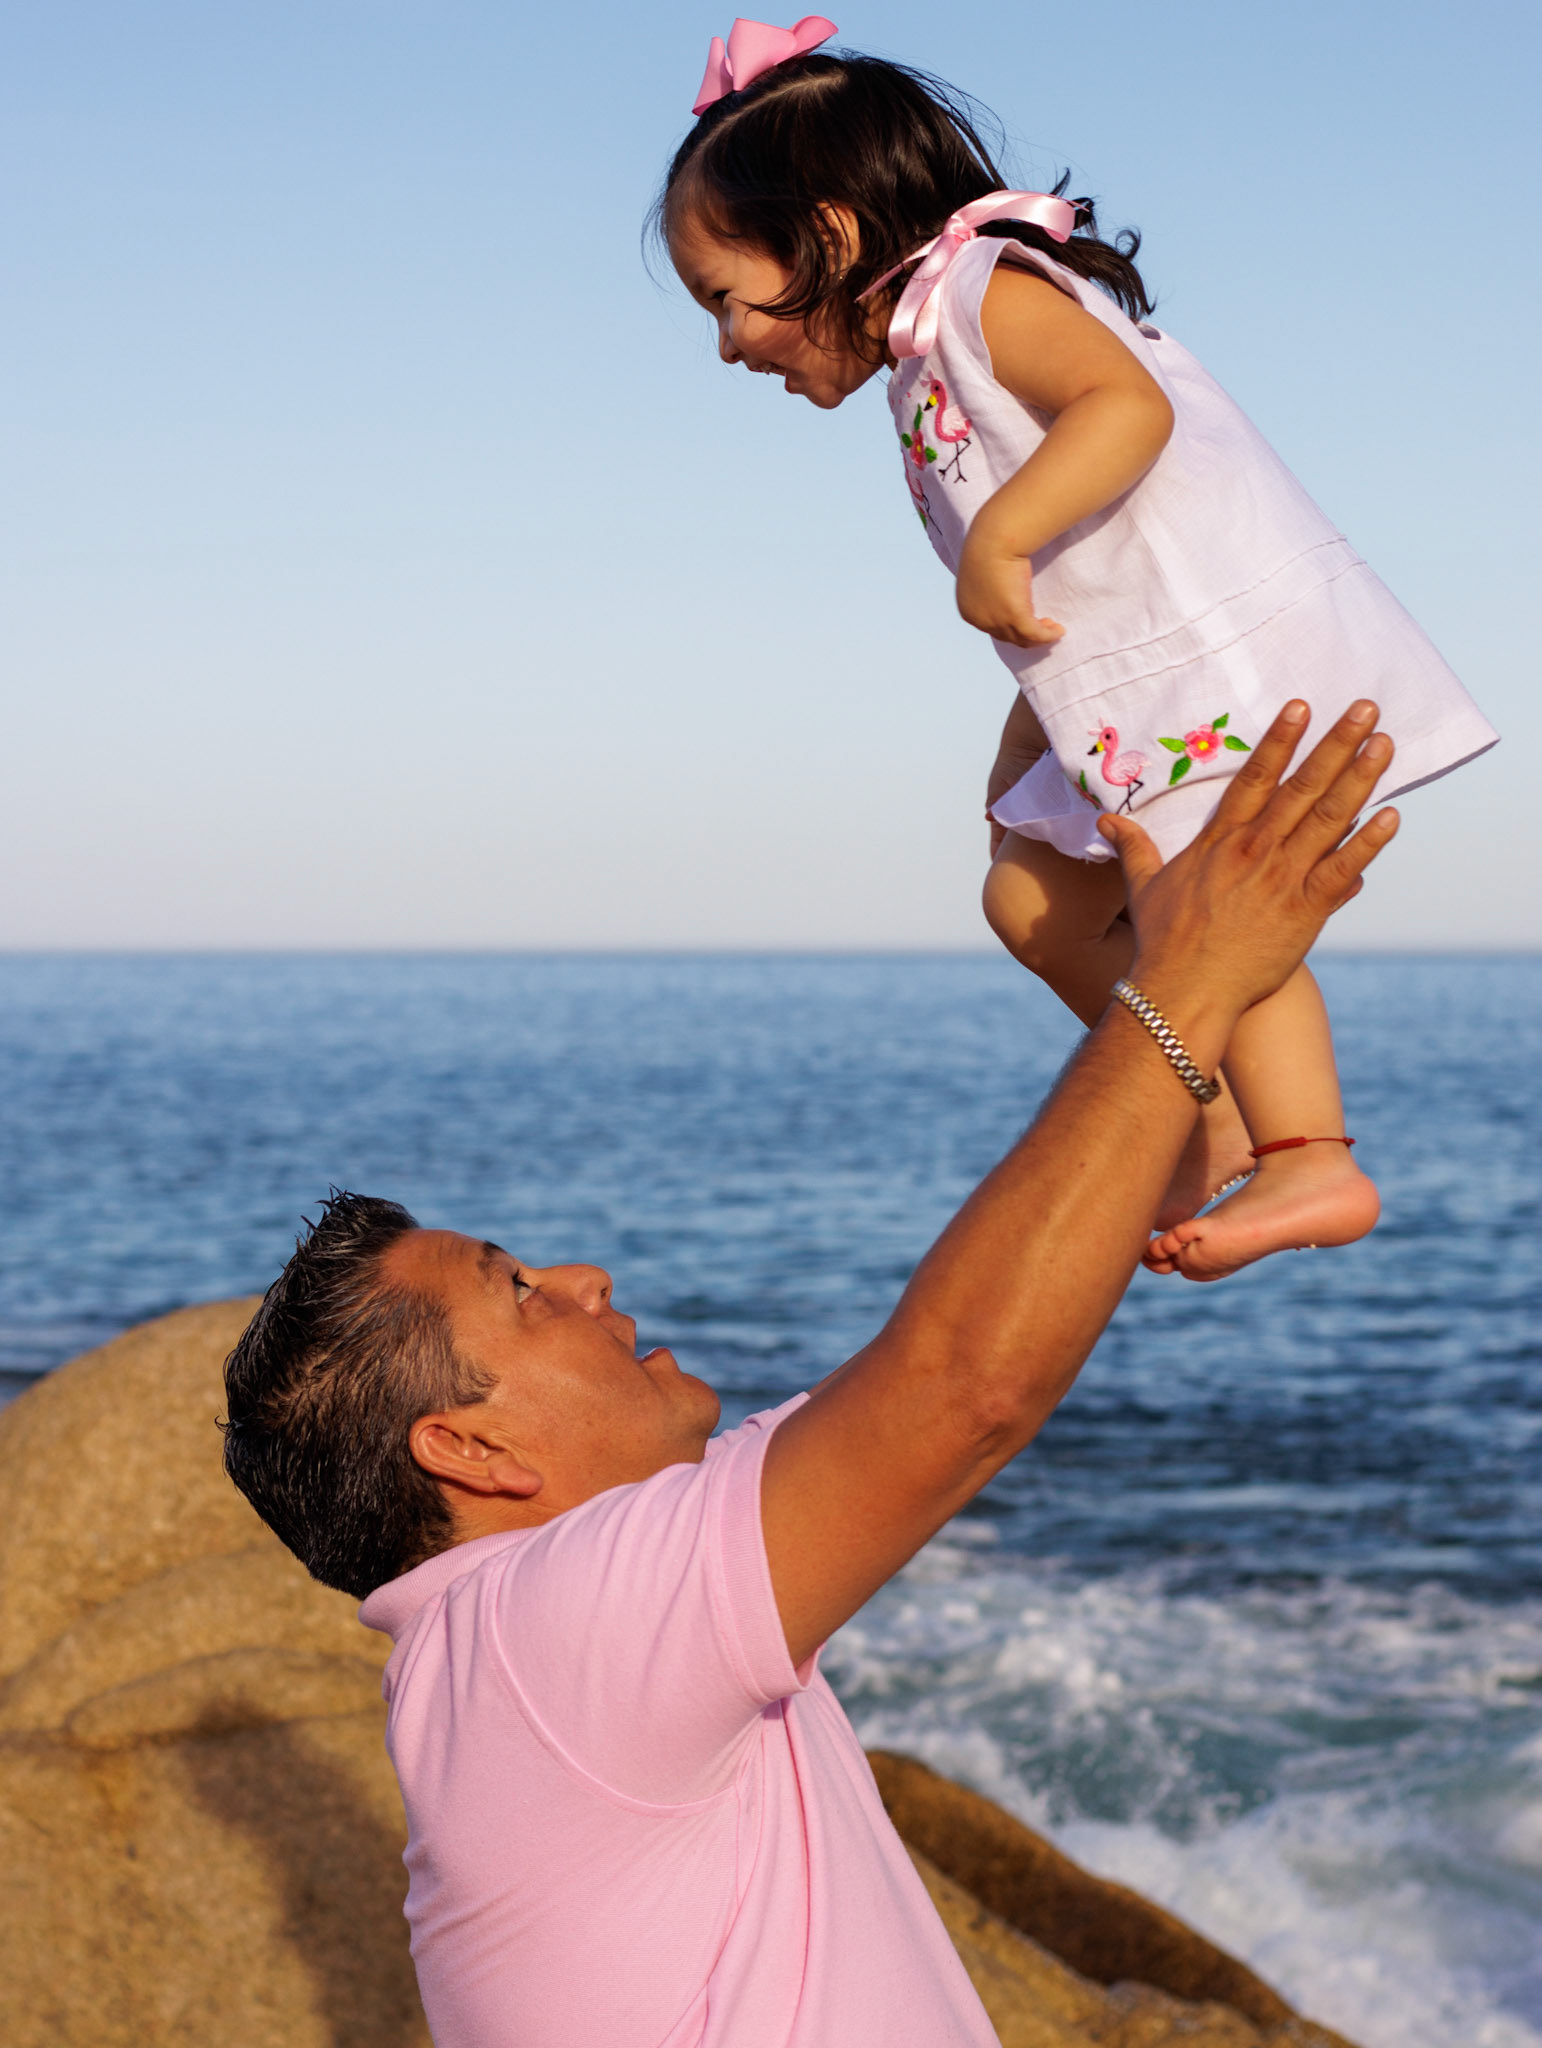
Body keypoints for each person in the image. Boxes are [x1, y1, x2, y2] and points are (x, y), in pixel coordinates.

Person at [224, 705, 1397, 2048]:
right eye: (519, 1291)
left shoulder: (523, 1651)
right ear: (469, 1453)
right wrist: (1185, 979)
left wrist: (1065, 856)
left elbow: (968, 1338)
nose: (584, 1280)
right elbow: (959, 1387)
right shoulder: (541, 1640)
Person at [660, 21, 1498, 1283]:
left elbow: (1129, 409)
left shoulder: (983, 287)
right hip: (1121, 684)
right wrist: (1032, 713)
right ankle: (1208, 1110)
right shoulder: (923, 359)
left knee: (1203, 901)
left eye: (727, 299)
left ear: (827, 239)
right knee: (1031, 901)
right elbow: (1066, 588)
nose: (728, 343)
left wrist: (999, 531)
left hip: (1213, 662)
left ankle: (1312, 1151)